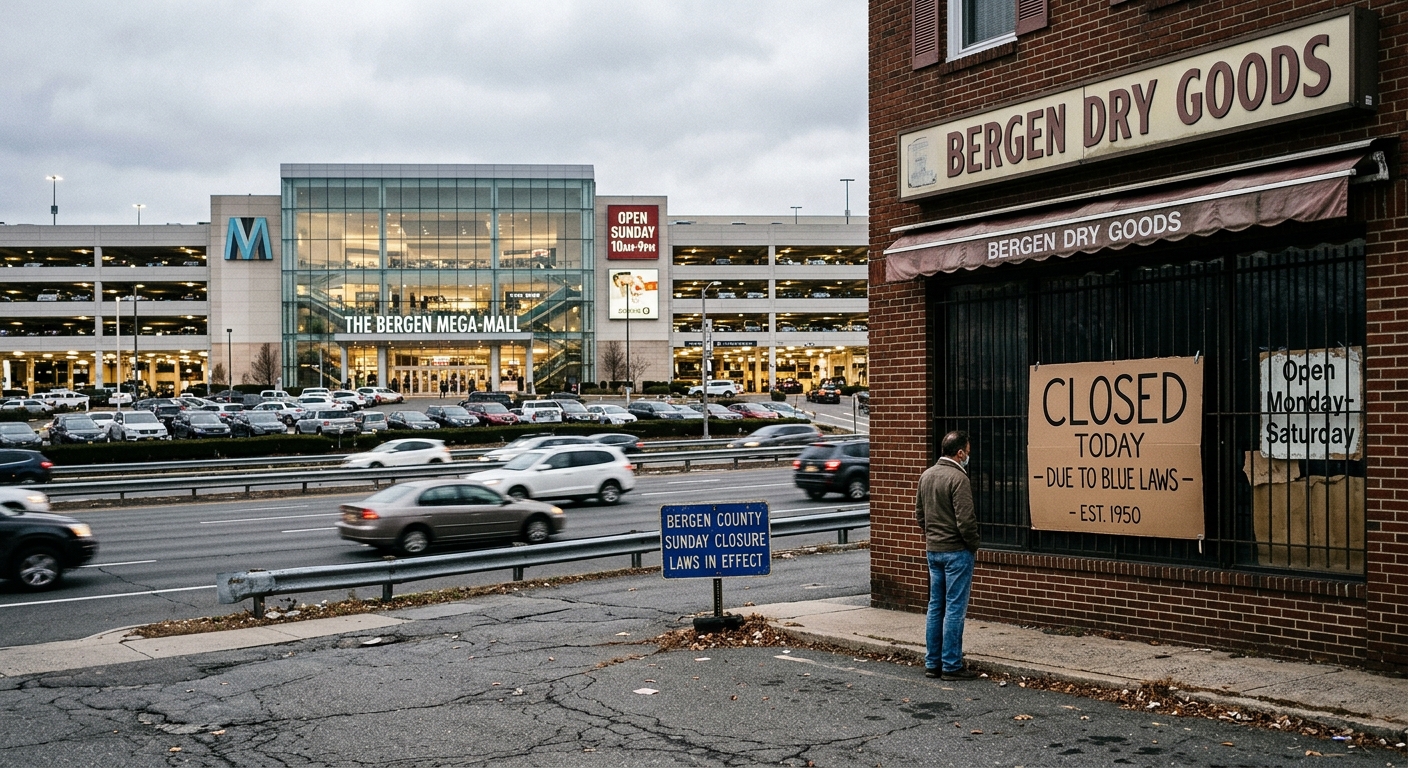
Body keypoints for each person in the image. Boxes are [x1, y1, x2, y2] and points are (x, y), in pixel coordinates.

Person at [915, 430, 981, 680]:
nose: (968, 456)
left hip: (934, 550)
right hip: (956, 551)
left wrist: (932, 535)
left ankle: (933, 663)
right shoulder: (958, 478)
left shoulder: (927, 475)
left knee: (935, 606)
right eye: (968, 452)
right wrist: (973, 544)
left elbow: (920, 515)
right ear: (960, 453)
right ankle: (951, 665)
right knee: (954, 609)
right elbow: (966, 520)